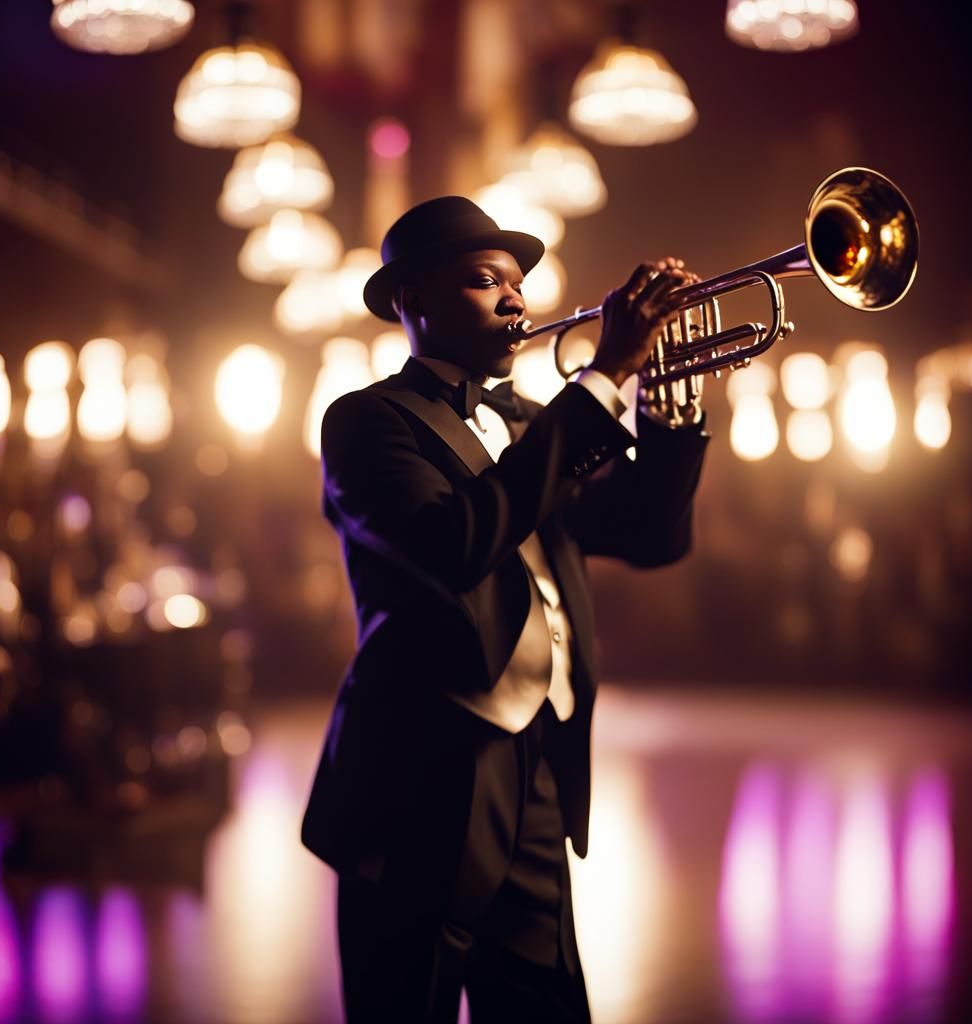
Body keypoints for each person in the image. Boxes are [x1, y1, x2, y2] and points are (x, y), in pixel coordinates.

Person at [301, 196, 709, 1023]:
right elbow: (454, 542)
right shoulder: (364, 423)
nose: (516, 300)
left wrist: (672, 410)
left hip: (536, 774)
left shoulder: (533, 424)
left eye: (520, 283)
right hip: (417, 780)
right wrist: (602, 379)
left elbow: (650, 537)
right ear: (413, 301)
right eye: (486, 282)